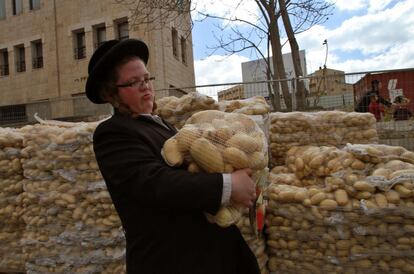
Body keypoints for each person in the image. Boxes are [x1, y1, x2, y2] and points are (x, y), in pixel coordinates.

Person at [85, 39, 260, 274]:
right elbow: (155, 183)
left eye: (147, 79)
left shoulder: (161, 125)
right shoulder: (112, 133)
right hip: (172, 259)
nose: (145, 86)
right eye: (133, 82)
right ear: (111, 93)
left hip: (209, 254)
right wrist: (228, 186)